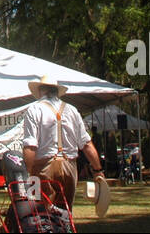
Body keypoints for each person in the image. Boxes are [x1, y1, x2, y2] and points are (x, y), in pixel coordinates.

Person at [21, 75, 104, 210]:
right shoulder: (72, 110)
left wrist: (27, 176)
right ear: (56, 91)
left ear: (41, 91)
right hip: (69, 167)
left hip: (44, 167)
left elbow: (30, 146)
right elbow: (86, 144)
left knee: (41, 212)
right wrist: (98, 170)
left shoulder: (35, 110)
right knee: (65, 212)